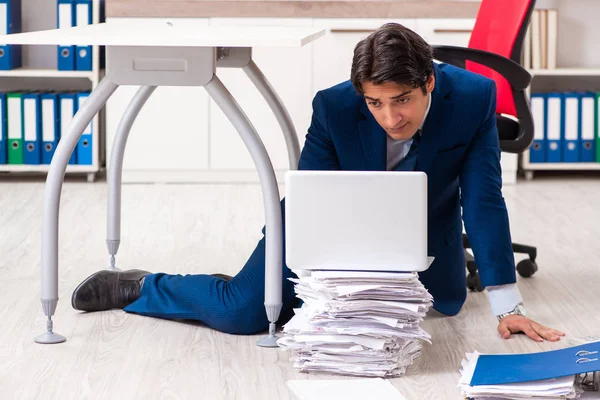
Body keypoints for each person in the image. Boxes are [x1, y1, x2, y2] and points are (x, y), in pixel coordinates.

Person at [72, 23, 564, 342]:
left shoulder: (475, 98)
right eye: (375, 103)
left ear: (429, 83)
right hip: (332, 226)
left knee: (445, 307)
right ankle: (141, 286)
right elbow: (310, 197)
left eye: (403, 101)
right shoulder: (334, 107)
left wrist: (507, 306)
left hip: (424, 233)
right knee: (247, 313)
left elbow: (482, 199)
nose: (390, 118)